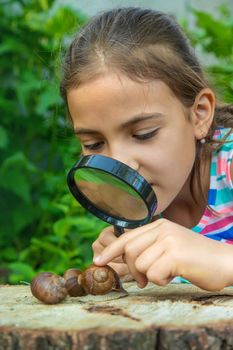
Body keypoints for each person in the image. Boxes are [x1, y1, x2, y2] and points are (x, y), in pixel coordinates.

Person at [60, 7, 233, 291]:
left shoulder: (229, 166)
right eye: (94, 144)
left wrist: (225, 262)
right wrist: (131, 262)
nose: (120, 163)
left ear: (199, 114)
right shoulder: (139, 212)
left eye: (143, 134)